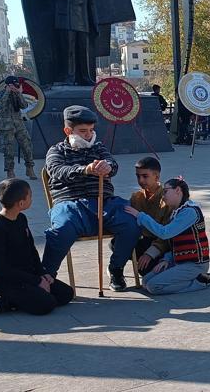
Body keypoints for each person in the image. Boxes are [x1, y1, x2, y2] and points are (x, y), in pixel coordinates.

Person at [41, 106, 142, 292]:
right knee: (61, 230)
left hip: (105, 203)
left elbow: (114, 164)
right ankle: (46, 276)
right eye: (83, 131)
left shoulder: (99, 147)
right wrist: (85, 169)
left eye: (91, 130)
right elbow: (56, 171)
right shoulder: (56, 151)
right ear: (68, 131)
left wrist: (108, 166)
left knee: (132, 222)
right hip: (70, 204)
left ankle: (116, 269)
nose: (88, 135)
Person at [0, 179, 74, 315]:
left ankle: (25, 299)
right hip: (9, 281)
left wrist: (43, 274)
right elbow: (0, 268)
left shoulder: (21, 219)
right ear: (21, 203)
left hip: (29, 275)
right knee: (46, 304)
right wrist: (37, 281)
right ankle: (7, 301)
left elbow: (32, 250)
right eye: (30, 196)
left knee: (66, 294)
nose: (32, 198)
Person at [125, 178, 210, 294]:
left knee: (153, 287)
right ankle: (189, 279)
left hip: (195, 265)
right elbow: (174, 243)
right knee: (145, 281)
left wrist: (141, 216)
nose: (163, 196)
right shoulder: (177, 212)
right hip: (179, 262)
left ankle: (200, 281)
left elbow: (165, 233)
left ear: (178, 190)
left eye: (165, 191)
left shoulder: (190, 212)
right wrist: (167, 260)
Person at [129, 157, 173, 276]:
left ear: (156, 177)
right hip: (144, 240)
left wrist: (150, 253)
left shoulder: (167, 198)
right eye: (138, 176)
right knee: (117, 243)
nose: (140, 180)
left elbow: (168, 233)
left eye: (145, 176)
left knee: (147, 271)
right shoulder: (136, 197)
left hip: (164, 243)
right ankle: (115, 271)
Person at [0, 76, 36, 180]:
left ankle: (30, 168)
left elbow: (24, 106)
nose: (15, 86)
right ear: (7, 85)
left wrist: (18, 93)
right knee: (8, 149)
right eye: (13, 85)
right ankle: (10, 171)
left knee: (27, 145)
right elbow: (0, 105)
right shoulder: (0, 94)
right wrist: (8, 92)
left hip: (18, 124)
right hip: (5, 125)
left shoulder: (17, 93)